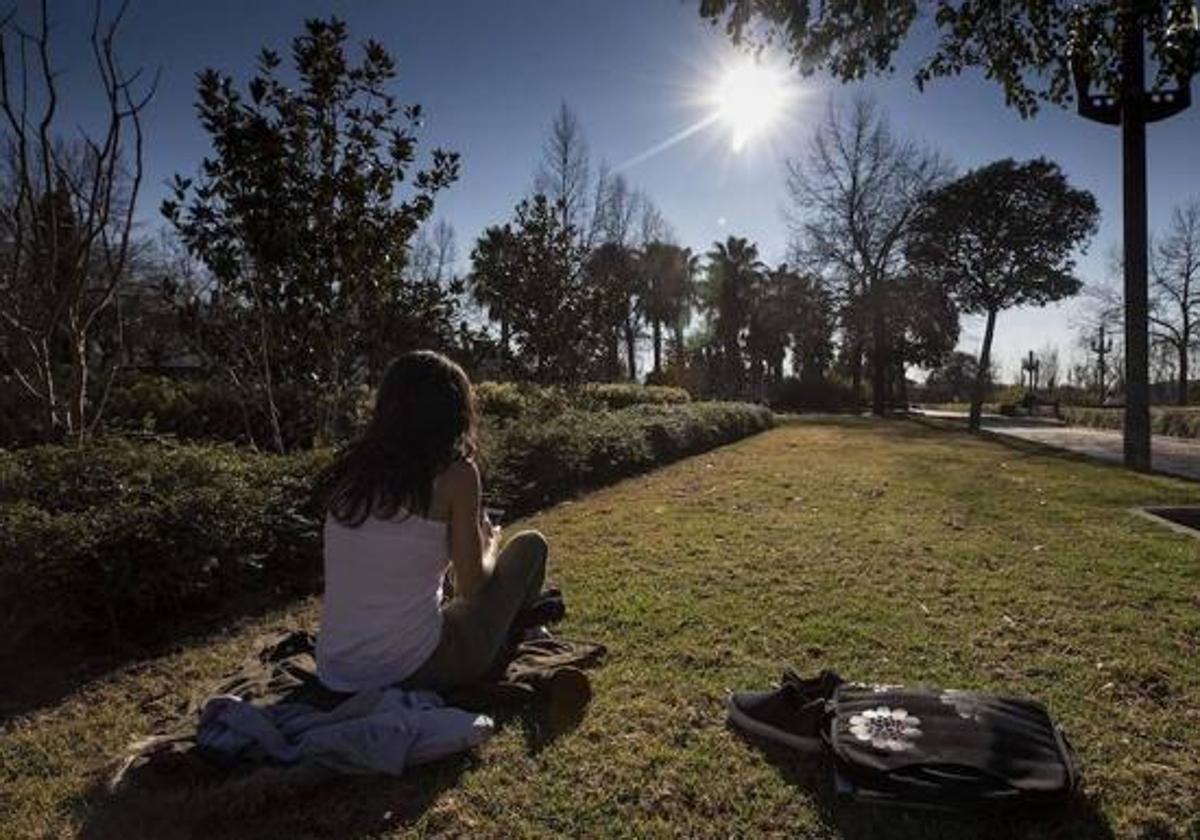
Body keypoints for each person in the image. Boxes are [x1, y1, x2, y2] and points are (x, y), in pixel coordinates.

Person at [314, 350, 549, 694]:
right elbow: (471, 586)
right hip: (414, 668)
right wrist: (490, 543)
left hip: (336, 670)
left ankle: (516, 628)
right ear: (454, 413)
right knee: (531, 545)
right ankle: (525, 629)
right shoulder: (455, 474)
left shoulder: (353, 471)